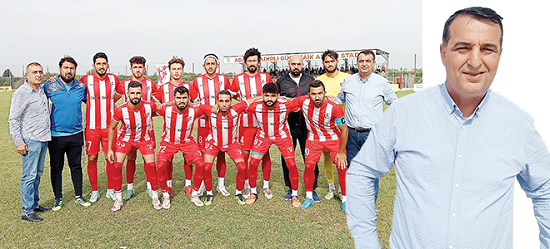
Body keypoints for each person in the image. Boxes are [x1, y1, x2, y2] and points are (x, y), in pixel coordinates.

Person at [347, 7, 550, 248]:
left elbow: (545, 188)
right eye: (463, 48)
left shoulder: (518, 124)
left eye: (487, 49)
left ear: (500, 55)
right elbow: (362, 173)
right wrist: (367, 242)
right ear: (443, 53)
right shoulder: (404, 114)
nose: (475, 61)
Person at [336, 49, 397, 211]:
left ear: (374, 64)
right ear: (357, 63)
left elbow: (395, 104)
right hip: (349, 133)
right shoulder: (348, 81)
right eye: (361, 61)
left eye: (368, 61)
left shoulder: (382, 83)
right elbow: (338, 100)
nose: (364, 64)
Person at [43, 56, 91, 211]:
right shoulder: (49, 86)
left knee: (76, 166)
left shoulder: (81, 87)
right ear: (60, 69)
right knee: (56, 167)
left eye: (71, 68)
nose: (69, 71)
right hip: (56, 135)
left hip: (76, 134)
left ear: (75, 70)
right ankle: (58, 199)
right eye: (66, 68)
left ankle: (79, 195)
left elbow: (92, 103)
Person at [292, 80, 348, 211]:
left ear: (325, 93)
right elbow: (287, 103)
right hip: (314, 139)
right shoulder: (303, 102)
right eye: (313, 94)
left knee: (342, 167)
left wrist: (341, 152)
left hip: (333, 139)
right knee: (309, 166)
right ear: (308, 94)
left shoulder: (335, 107)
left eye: (320, 93)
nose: (317, 97)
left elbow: (344, 130)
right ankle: (309, 197)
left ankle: (345, 200)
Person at [197, 90, 261, 206]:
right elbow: (195, 106)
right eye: (221, 101)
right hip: (214, 143)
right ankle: (209, 194)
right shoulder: (210, 110)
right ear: (217, 102)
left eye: (227, 101)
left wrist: (263, 96)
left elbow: (251, 100)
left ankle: (238, 193)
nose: (224, 104)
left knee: (242, 167)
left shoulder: (236, 109)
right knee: (206, 167)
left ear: (231, 101)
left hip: (232, 144)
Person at [244, 83, 302, 208]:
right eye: (266, 96)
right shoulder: (256, 106)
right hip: (263, 136)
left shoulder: (285, 105)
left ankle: (295, 195)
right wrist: (255, 98)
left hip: (283, 137)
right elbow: (242, 105)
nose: (269, 99)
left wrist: (289, 99)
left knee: (291, 165)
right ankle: (253, 193)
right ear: (262, 95)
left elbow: (300, 103)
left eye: (273, 96)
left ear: (278, 96)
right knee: (253, 164)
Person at [107, 81, 161, 211]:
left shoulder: (150, 106)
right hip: (126, 140)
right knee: (117, 166)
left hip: (144, 139)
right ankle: (118, 199)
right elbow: (112, 128)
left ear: (142, 93)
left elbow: (163, 108)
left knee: (152, 165)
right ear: (127, 94)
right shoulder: (120, 110)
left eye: (138, 93)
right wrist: (109, 149)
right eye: (132, 93)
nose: (135, 95)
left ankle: (155, 196)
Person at [9, 62, 51, 221]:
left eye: (40, 72)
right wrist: (19, 142)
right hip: (30, 140)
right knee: (29, 175)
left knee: (37, 174)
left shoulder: (41, 90)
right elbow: (13, 119)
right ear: (27, 75)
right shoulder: (22, 93)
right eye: (34, 72)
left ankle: (34, 204)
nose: (38, 74)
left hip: (43, 139)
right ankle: (27, 210)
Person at [230, 47, 273, 199]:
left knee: (265, 154)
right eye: (249, 61)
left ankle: (266, 186)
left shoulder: (266, 77)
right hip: (245, 123)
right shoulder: (238, 78)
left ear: (259, 62)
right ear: (245, 62)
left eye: (255, 60)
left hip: (263, 123)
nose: (252, 63)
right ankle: (248, 183)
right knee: (245, 154)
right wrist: (244, 103)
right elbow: (234, 95)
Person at [276, 55, 320, 202]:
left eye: (299, 64)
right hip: (288, 125)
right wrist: (286, 100)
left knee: (310, 157)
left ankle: (312, 189)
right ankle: (290, 187)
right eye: (293, 64)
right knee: (287, 158)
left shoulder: (310, 79)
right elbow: (275, 99)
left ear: (303, 65)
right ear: (288, 65)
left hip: (307, 126)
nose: (296, 66)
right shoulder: (281, 81)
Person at [79, 52, 121, 203]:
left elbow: (119, 94)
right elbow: (74, 88)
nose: (101, 66)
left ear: (107, 65)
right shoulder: (86, 79)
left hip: (110, 127)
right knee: (92, 157)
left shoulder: (113, 79)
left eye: (104, 63)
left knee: (110, 158)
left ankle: (110, 189)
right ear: (93, 66)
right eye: (98, 64)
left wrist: (110, 103)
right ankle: (95, 191)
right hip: (92, 127)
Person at [155, 86, 205, 209]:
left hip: (187, 142)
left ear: (189, 99)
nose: (181, 100)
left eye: (184, 98)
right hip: (168, 142)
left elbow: (207, 108)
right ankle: (166, 195)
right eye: (178, 98)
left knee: (201, 164)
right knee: (161, 165)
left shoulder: (195, 110)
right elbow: (146, 109)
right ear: (174, 99)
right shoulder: (165, 109)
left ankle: (195, 193)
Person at [116, 56, 158, 200]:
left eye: (140, 67)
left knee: (149, 160)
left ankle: (149, 187)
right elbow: (112, 99)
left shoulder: (151, 84)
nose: (138, 70)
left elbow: (158, 103)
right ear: (131, 68)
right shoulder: (123, 84)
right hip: (129, 130)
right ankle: (130, 188)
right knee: (131, 158)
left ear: (144, 68)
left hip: (147, 130)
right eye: (135, 67)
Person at [152, 56, 195, 197]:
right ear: (169, 71)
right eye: (174, 69)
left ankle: (188, 185)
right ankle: (169, 185)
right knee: (167, 160)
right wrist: (162, 106)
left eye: (179, 69)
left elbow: (196, 104)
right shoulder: (162, 88)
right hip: (168, 133)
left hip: (186, 133)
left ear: (183, 70)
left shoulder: (190, 87)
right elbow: (156, 107)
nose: (176, 72)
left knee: (188, 159)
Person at [191, 53, 232, 197]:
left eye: (212, 63)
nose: (210, 66)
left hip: (221, 122)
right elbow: (193, 100)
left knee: (221, 153)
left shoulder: (223, 79)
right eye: (207, 64)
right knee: (203, 155)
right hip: (204, 122)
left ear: (217, 65)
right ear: (204, 66)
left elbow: (231, 96)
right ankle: (202, 184)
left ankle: (220, 184)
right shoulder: (197, 81)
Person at [315, 49, 350, 200]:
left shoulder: (348, 78)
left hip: (344, 125)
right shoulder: (319, 79)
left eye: (332, 61)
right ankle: (331, 187)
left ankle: (346, 191)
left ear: (337, 61)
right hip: (326, 128)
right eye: (326, 61)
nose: (329, 64)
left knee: (343, 159)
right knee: (327, 159)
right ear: (323, 63)